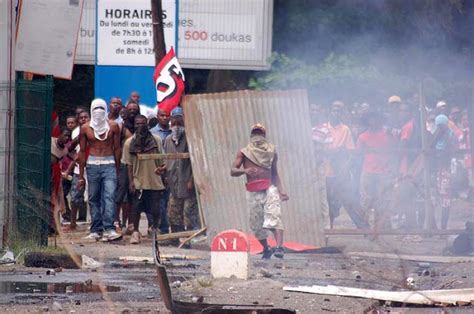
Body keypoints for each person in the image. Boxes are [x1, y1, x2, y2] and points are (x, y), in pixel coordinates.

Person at [231, 123, 289, 259]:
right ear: (251, 136)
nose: (258, 136)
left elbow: (274, 173)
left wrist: (281, 190)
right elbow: (232, 170)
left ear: (264, 136)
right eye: (255, 133)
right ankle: (266, 248)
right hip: (252, 191)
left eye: (260, 134)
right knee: (256, 224)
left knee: (274, 216)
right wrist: (245, 170)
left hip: (269, 188)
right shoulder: (244, 152)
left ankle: (280, 247)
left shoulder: (272, 151)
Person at [78, 99, 121, 241]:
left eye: (101, 108)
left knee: (109, 196)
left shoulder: (114, 126)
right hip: (92, 165)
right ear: (91, 110)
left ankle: (109, 228)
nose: (98, 111)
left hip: (109, 164)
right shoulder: (85, 128)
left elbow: (117, 148)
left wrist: (117, 168)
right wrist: (81, 175)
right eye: (96, 108)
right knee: (93, 197)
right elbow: (82, 151)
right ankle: (96, 229)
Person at [323, 102, 368, 229]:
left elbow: (351, 152)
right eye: (334, 109)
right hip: (325, 173)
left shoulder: (345, 129)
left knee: (351, 202)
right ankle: (327, 232)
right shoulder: (323, 129)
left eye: (339, 110)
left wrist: (345, 169)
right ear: (329, 111)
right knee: (327, 204)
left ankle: (366, 230)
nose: (336, 112)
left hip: (341, 173)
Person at [123, 115, 166, 244]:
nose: (140, 126)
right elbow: (129, 165)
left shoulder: (156, 140)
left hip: (154, 179)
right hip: (138, 180)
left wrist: (162, 170)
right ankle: (136, 232)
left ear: (147, 124)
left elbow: (161, 160)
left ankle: (154, 229)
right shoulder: (129, 143)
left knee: (156, 208)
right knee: (136, 207)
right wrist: (131, 182)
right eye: (137, 124)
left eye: (142, 124)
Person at [164, 107, 199, 237]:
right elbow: (167, 160)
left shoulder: (190, 138)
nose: (176, 126)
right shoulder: (168, 140)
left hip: (187, 183)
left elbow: (195, 163)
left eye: (180, 122)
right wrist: (164, 172)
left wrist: (191, 180)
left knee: (188, 213)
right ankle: (175, 237)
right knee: (173, 213)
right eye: (174, 123)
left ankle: (187, 239)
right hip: (174, 183)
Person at [357, 111, 394, 229]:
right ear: (368, 121)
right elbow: (358, 154)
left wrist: (390, 167)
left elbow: (394, 151)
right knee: (365, 199)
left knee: (382, 199)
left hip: (383, 171)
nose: (374, 121)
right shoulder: (362, 136)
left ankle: (380, 226)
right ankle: (364, 226)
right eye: (371, 119)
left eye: (377, 119)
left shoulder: (387, 135)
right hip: (367, 171)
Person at [114, 101, 140, 234]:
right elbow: (117, 147)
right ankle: (116, 222)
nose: (132, 111)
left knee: (133, 196)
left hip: (138, 165)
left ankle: (131, 224)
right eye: (130, 109)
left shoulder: (141, 125)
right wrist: (117, 165)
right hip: (124, 164)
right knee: (120, 193)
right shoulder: (122, 128)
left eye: (135, 109)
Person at [430, 114, 456, 229]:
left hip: (445, 171)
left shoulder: (450, 134)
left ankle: (443, 228)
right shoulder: (434, 134)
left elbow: (450, 149)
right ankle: (434, 227)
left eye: (442, 126)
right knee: (432, 200)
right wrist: (437, 134)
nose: (440, 128)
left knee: (445, 201)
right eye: (438, 126)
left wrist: (444, 134)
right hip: (434, 171)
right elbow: (430, 147)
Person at [66, 110, 90, 230]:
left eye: (86, 117)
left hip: (92, 166)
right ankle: (72, 222)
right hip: (78, 169)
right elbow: (70, 148)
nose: (84, 119)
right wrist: (75, 158)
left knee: (93, 197)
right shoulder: (76, 132)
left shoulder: (94, 130)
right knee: (75, 196)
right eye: (81, 118)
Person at [150, 108, 172, 234]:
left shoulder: (173, 131)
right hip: (157, 171)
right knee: (159, 200)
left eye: (167, 115)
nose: (164, 118)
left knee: (170, 200)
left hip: (171, 170)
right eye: (162, 115)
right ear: (157, 116)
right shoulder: (152, 133)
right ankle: (162, 228)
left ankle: (169, 227)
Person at [51, 128, 72, 233]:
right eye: (65, 135)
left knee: (57, 199)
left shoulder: (64, 150)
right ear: (60, 135)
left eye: (68, 136)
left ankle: (54, 225)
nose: (66, 138)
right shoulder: (51, 142)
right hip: (47, 172)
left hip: (55, 175)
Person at [60, 116, 78, 222]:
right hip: (63, 172)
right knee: (62, 193)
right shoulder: (59, 144)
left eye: (72, 123)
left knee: (76, 195)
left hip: (73, 171)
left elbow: (75, 157)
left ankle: (80, 216)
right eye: (68, 123)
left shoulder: (74, 143)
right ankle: (67, 214)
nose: (70, 125)